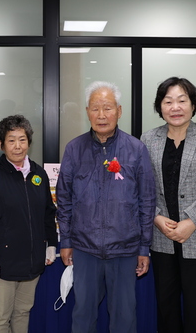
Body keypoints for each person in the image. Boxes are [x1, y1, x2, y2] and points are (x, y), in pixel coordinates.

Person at [56, 81, 157, 333]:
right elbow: (64, 198)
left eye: (108, 108)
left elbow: (147, 200)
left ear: (119, 111)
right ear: (87, 111)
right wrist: (66, 240)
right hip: (84, 248)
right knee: (83, 315)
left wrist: (143, 246)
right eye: (95, 108)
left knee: (124, 317)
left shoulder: (135, 149)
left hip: (124, 249)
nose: (101, 115)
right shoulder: (74, 149)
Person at [140, 77, 196, 333]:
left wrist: (191, 221)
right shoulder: (148, 140)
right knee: (166, 307)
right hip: (162, 237)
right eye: (168, 101)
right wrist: (156, 218)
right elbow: (142, 188)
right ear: (160, 106)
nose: (175, 107)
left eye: (182, 100)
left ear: (193, 105)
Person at [0, 114, 58, 333]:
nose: (17, 146)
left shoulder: (38, 174)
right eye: (11, 140)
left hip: (32, 262)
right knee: (0, 318)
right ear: (1, 145)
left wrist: (50, 244)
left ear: (29, 142)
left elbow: (48, 212)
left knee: (23, 313)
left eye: (22, 139)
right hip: (3, 265)